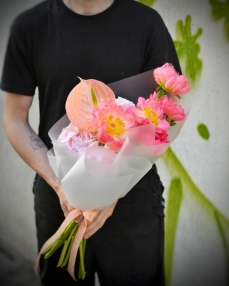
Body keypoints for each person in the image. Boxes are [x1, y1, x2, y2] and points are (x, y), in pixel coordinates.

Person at [1, 0, 181, 285]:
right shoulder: (30, 27)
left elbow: (164, 113)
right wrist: (62, 186)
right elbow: (14, 118)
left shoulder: (146, 23)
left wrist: (111, 192)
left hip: (132, 207)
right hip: (58, 203)